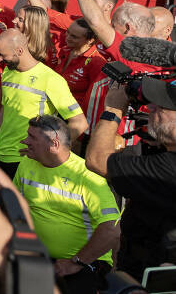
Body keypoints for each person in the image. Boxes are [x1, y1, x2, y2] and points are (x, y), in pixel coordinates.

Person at [14, 115, 120, 292]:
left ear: (54, 144)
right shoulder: (27, 163)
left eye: (32, 137)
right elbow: (14, 206)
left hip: (84, 261)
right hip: (39, 258)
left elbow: (112, 230)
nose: (25, 141)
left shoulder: (89, 177)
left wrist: (76, 261)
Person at [85, 76, 176, 280]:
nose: (150, 107)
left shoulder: (167, 167)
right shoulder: (160, 153)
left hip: (149, 276)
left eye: (162, 106)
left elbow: (96, 160)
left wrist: (113, 109)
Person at [0, 29, 88, 177]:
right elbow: (5, 108)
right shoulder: (8, 71)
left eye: (2, 55)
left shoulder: (51, 79)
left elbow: (79, 123)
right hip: (2, 155)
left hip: (29, 161)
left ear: (19, 50)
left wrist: (50, 150)